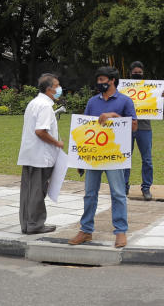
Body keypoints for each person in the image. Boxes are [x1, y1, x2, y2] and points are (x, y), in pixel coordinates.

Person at [68, 66, 137, 248]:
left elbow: (134, 126)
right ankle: (86, 230)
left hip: (114, 157)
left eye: (102, 80)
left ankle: (120, 231)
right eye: (98, 80)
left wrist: (115, 116)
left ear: (112, 80)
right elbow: (84, 130)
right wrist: (80, 159)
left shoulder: (125, 101)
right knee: (90, 194)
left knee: (118, 193)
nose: (100, 83)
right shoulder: (92, 102)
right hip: (93, 157)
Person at [17, 73, 64, 234]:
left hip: (30, 154)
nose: (59, 89)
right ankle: (35, 224)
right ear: (49, 89)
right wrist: (57, 143)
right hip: (40, 156)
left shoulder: (33, 103)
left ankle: (26, 224)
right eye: (57, 86)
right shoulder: (45, 106)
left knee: (28, 191)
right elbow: (40, 131)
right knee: (37, 191)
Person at [125, 60, 155, 201]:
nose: (137, 74)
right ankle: (124, 186)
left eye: (139, 72)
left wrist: (160, 98)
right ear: (130, 74)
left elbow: (157, 107)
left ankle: (146, 188)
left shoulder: (150, 89)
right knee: (125, 158)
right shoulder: (123, 88)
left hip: (144, 127)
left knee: (147, 159)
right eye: (135, 73)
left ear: (143, 74)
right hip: (126, 127)